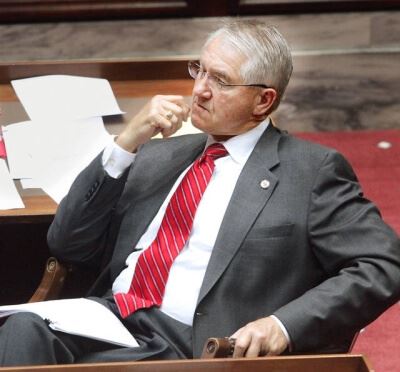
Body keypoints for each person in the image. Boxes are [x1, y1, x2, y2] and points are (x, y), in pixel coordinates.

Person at [0, 19, 399, 366]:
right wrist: (124, 145)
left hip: (192, 343)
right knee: (23, 329)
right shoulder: (158, 155)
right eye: (200, 71)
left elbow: (383, 265)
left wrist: (282, 325)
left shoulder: (310, 171)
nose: (200, 91)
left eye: (221, 80)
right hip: (110, 319)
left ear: (264, 100)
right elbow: (67, 244)